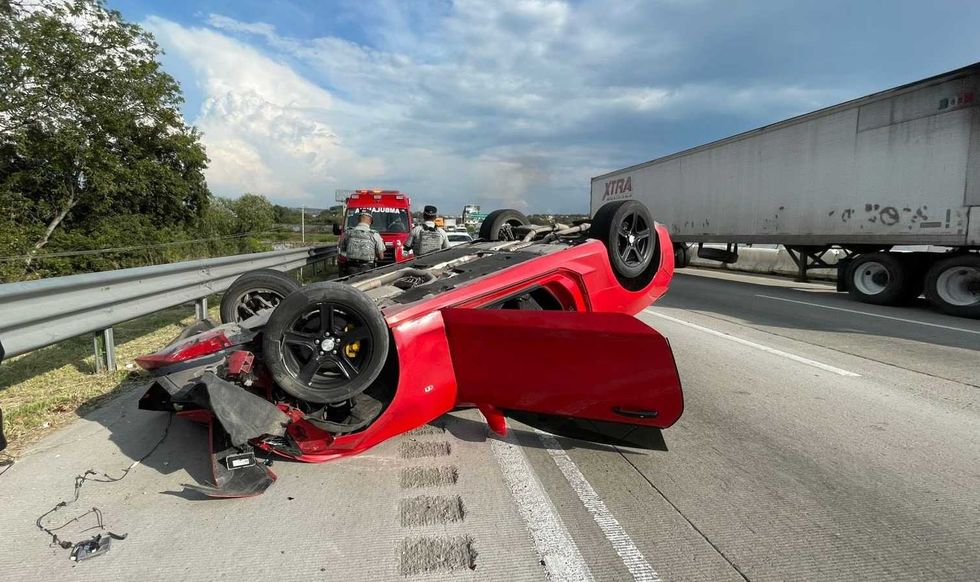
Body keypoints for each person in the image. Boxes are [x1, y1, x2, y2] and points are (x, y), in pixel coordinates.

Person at [340, 211, 385, 275]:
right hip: (368, 268)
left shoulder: (348, 233)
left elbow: (342, 250)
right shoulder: (375, 234)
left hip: (351, 267)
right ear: (370, 221)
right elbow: (381, 256)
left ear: (358, 220)